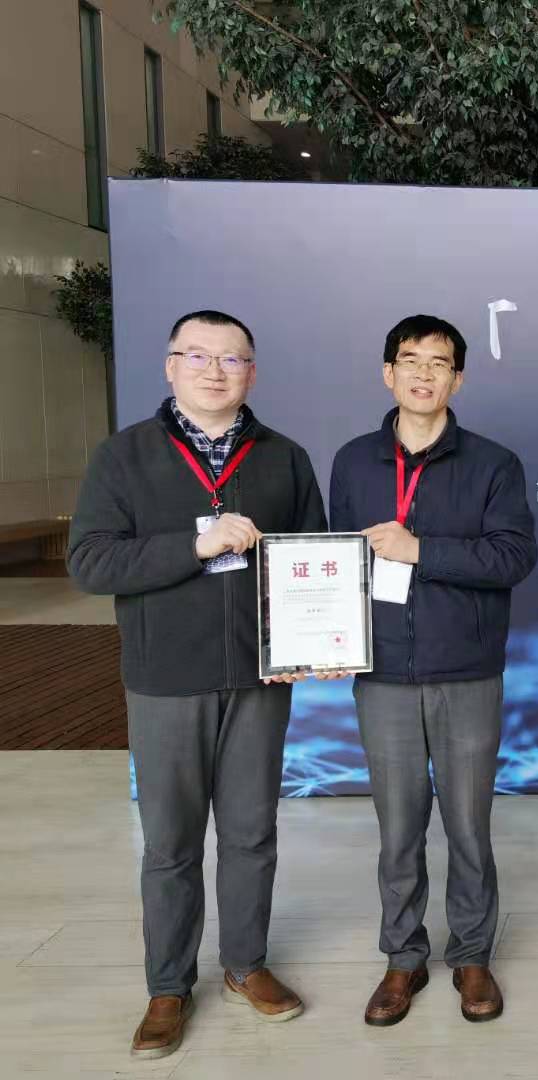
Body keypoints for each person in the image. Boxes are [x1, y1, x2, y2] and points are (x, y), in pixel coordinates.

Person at [69, 311, 329, 1058]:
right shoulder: (124, 457)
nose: (215, 371)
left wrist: (316, 640)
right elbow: (91, 563)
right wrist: (196, 543)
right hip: (166, 680)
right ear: (170, 365)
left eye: (232, 359)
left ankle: (245, 965)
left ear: (252, 371)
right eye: (198, 356)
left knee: (251, 832)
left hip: (259, 678)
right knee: (171, 843)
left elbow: (311, 559)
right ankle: (168, 986)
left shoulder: (284, 457)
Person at [329, 314, 538, 1026]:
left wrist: (420, 549)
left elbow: (513, 556)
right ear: (388, 372)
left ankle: (472, 954)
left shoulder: (492, 464)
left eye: (439, 363)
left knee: (469, 826)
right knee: (397, 828)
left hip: (466, 671)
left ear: (458, 378)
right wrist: (324, 642)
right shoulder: (354, 461)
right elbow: (338, 561)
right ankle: (403, 957)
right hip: (382, 673)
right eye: (411, 360)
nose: (424, 373)